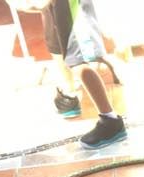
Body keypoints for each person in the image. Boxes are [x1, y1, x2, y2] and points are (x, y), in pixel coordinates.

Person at [9, 0, 127, 149]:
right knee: (57, 47)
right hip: (55, 7)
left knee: (79, 60)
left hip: (71, 6)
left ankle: (111, 120)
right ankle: (70, 94)